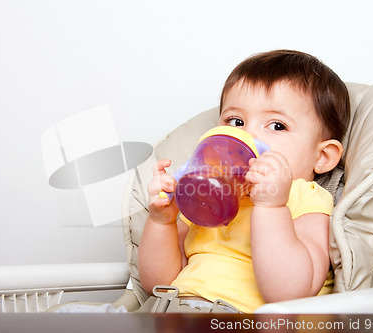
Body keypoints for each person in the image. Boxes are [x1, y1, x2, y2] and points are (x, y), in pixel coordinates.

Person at [138, 49, 351, 313]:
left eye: (277, 125)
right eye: (235, 121)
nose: (247, 135)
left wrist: (272, 207)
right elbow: (157, 282)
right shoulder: (207, 191)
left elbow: (289, 293)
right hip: (172, 310)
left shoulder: (305, 197)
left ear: (322, 157)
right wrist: (163, 222)